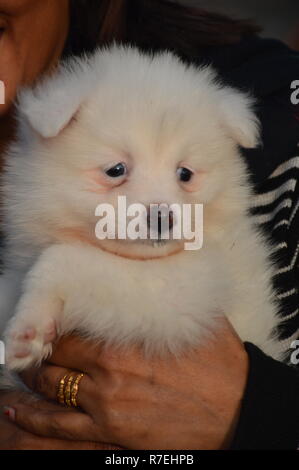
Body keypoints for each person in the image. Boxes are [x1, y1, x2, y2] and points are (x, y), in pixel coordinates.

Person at [0, 0, 298, 450]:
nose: (161, 208)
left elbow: (163, 319)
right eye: (116, 172)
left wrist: (255, 410)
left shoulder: (275, 94)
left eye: (185, 176)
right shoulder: (76, 112)